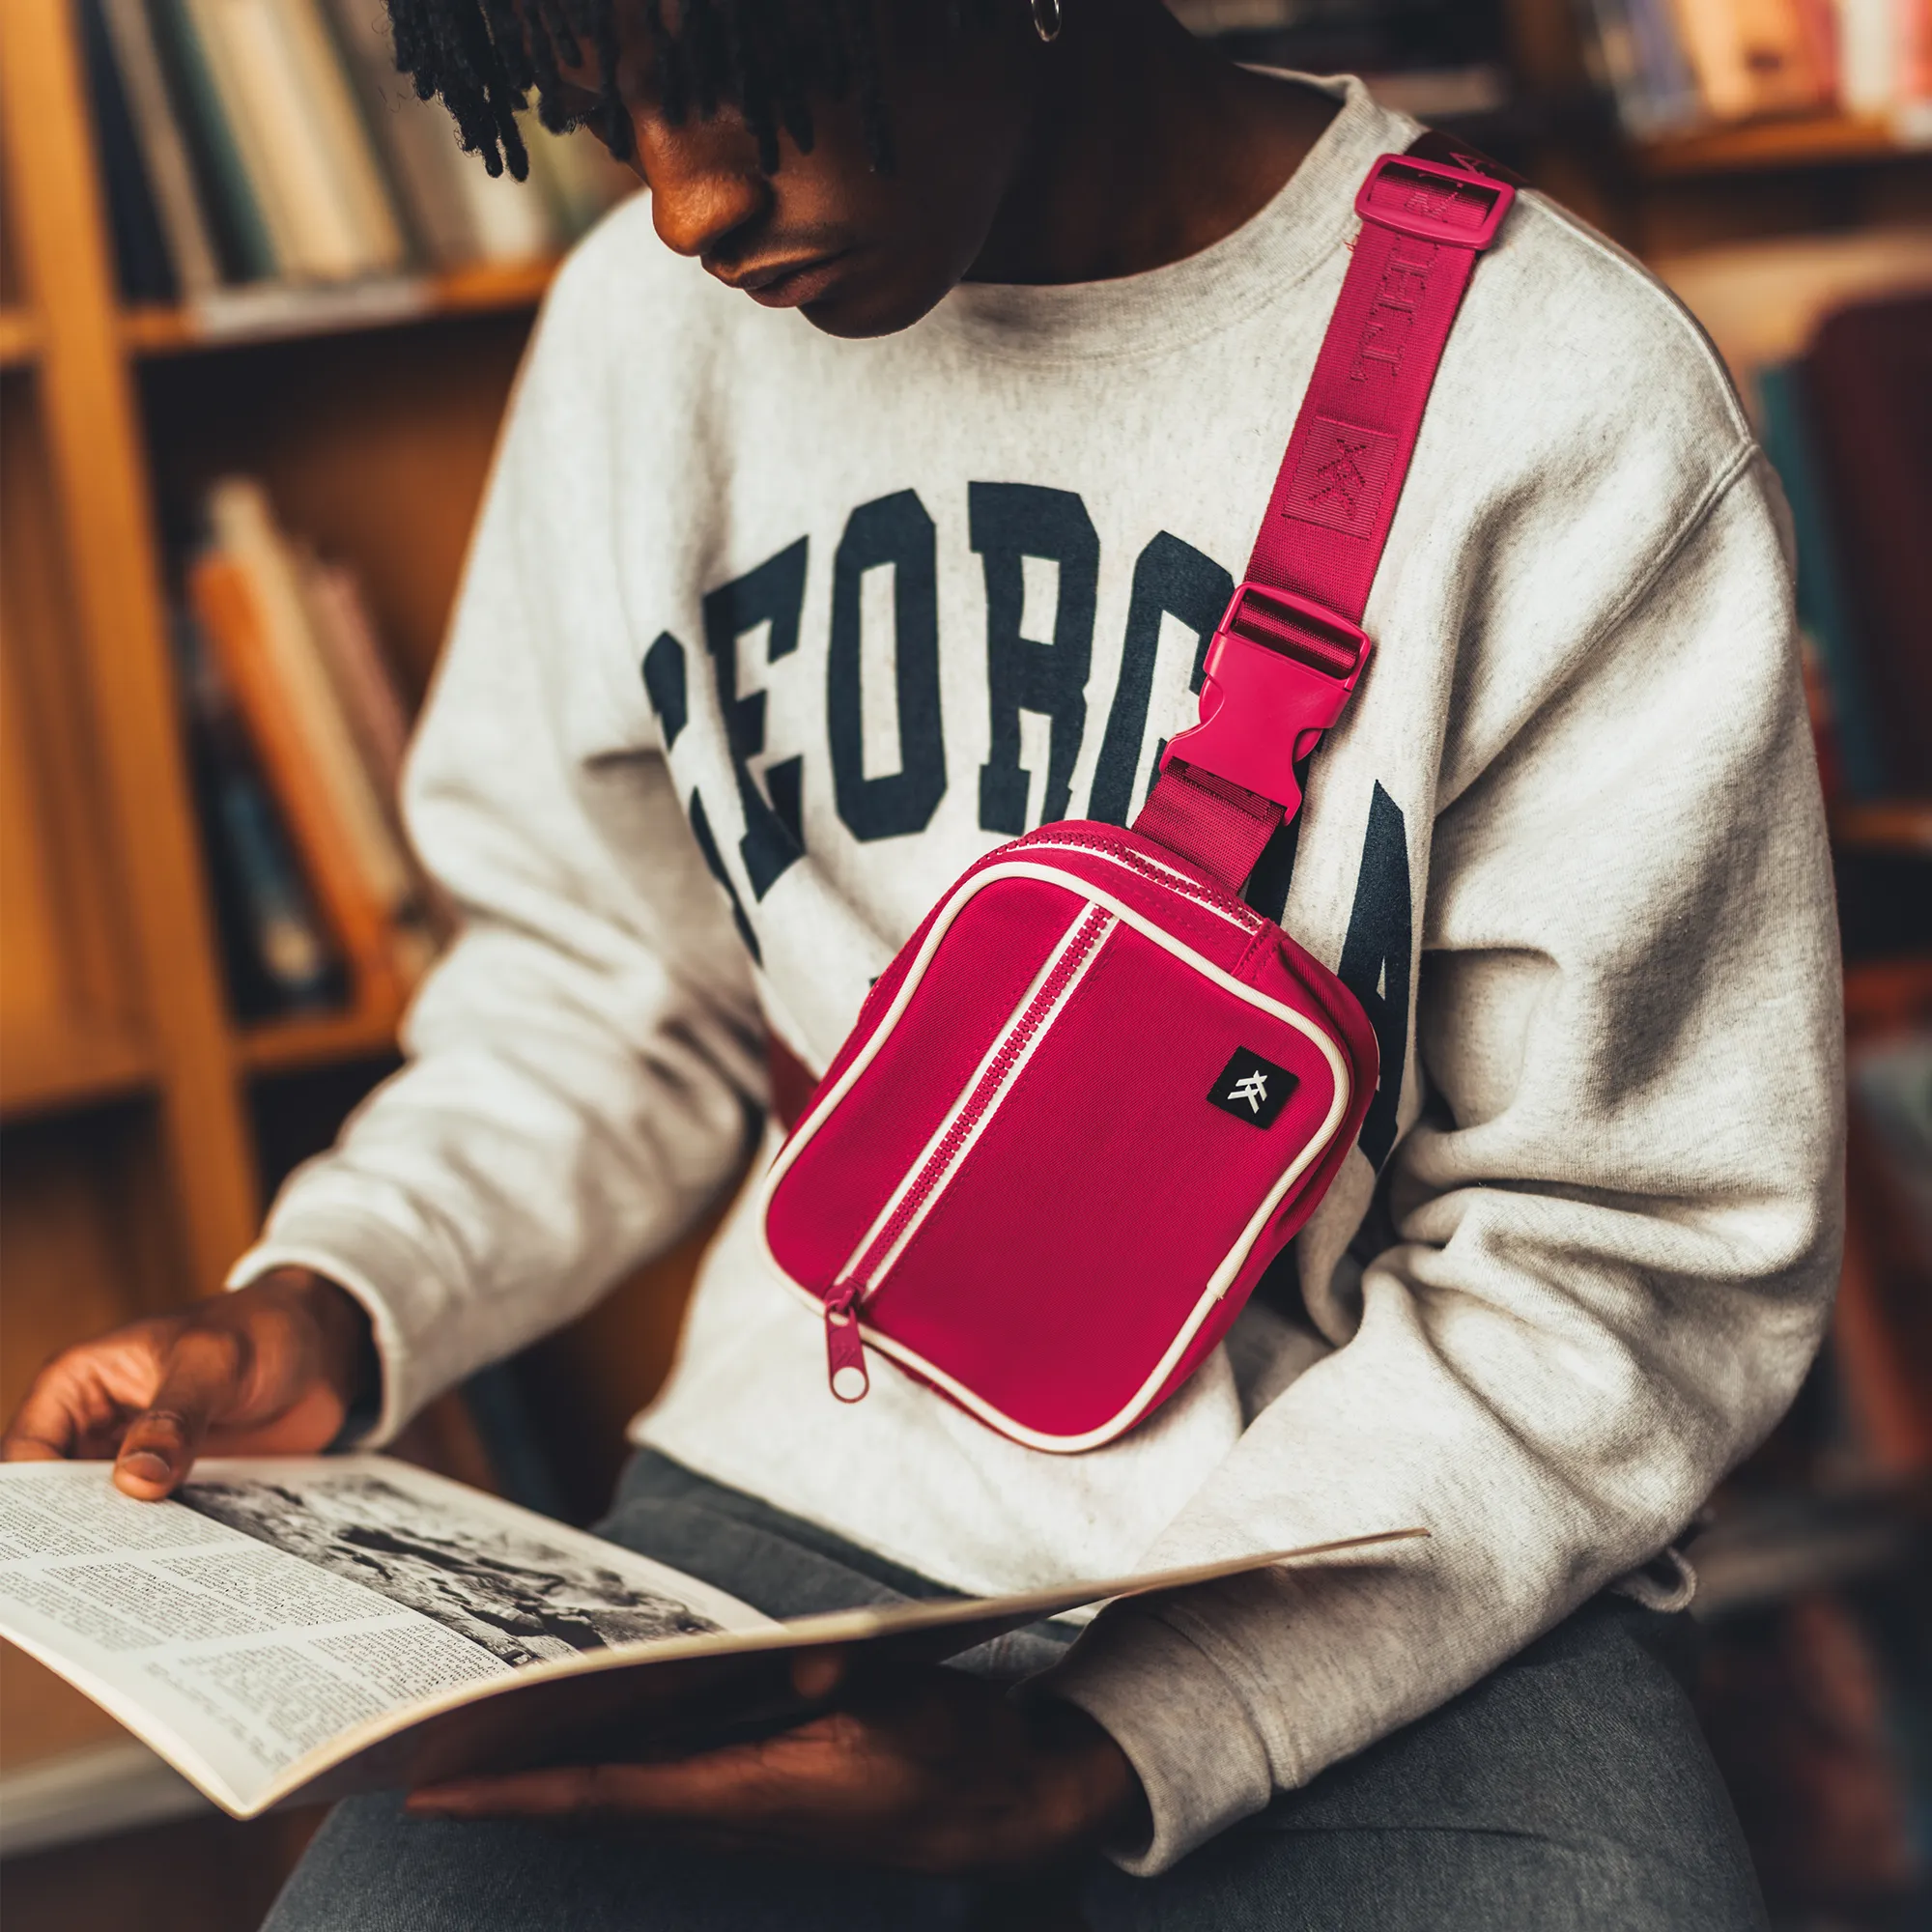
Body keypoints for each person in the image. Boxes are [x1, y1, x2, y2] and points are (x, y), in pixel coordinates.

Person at [3, 3, 1842, 1926]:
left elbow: (1622, 1258)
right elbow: (599, 989)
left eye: (740, 66)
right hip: (790, 1504)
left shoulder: (1564, 404)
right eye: (598, 104)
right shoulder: (640, 339)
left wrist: (1101, 1745)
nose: (689, 197)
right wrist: (333, 1298)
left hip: (1385, 1551)